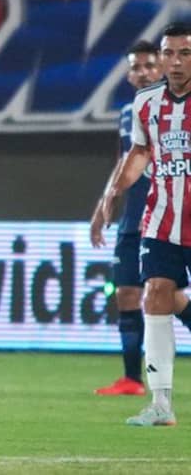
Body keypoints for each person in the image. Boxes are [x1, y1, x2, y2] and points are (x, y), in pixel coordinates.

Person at [102, 22, 191, 426]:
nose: (176, 61)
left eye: (185, 53)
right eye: (170, 53)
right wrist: (114, 191)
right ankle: (161, 404)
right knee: (155, 293)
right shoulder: (146, 103)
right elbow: (139, 153)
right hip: (161, 219)